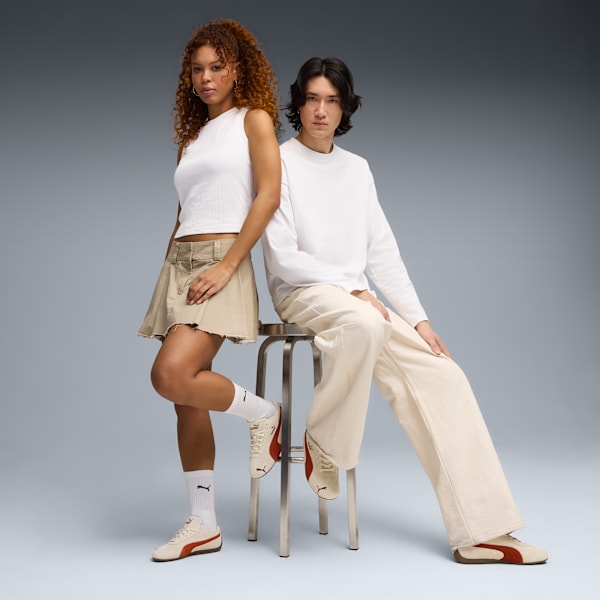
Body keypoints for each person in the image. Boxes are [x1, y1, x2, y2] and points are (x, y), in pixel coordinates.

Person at [261, 56, 548, 565]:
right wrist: (352, 290)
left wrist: (419, 320)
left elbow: (382, 252)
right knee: (364, 321)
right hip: (303, 291)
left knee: (445, 375)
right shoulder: (279, 161)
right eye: (312, 99)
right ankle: (324, 441)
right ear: (298, 104)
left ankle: (480, 531)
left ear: (345, 108)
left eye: (332, 100)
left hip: (358, 303)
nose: (321, 110)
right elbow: (283, 255)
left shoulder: (357, 170)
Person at [138, 19, 283, 562]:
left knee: (170, 374)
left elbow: (267, 196)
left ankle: (265, 413)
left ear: (238, 69)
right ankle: (203, 524)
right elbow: (185, 214)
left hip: (224, 260)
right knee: (185, 398)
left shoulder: (254, 120)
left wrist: (227, 266)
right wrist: (169, 272)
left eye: (217, 67)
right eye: (197, 69)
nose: (206, 78)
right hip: (180, 264)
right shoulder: (192, 140)